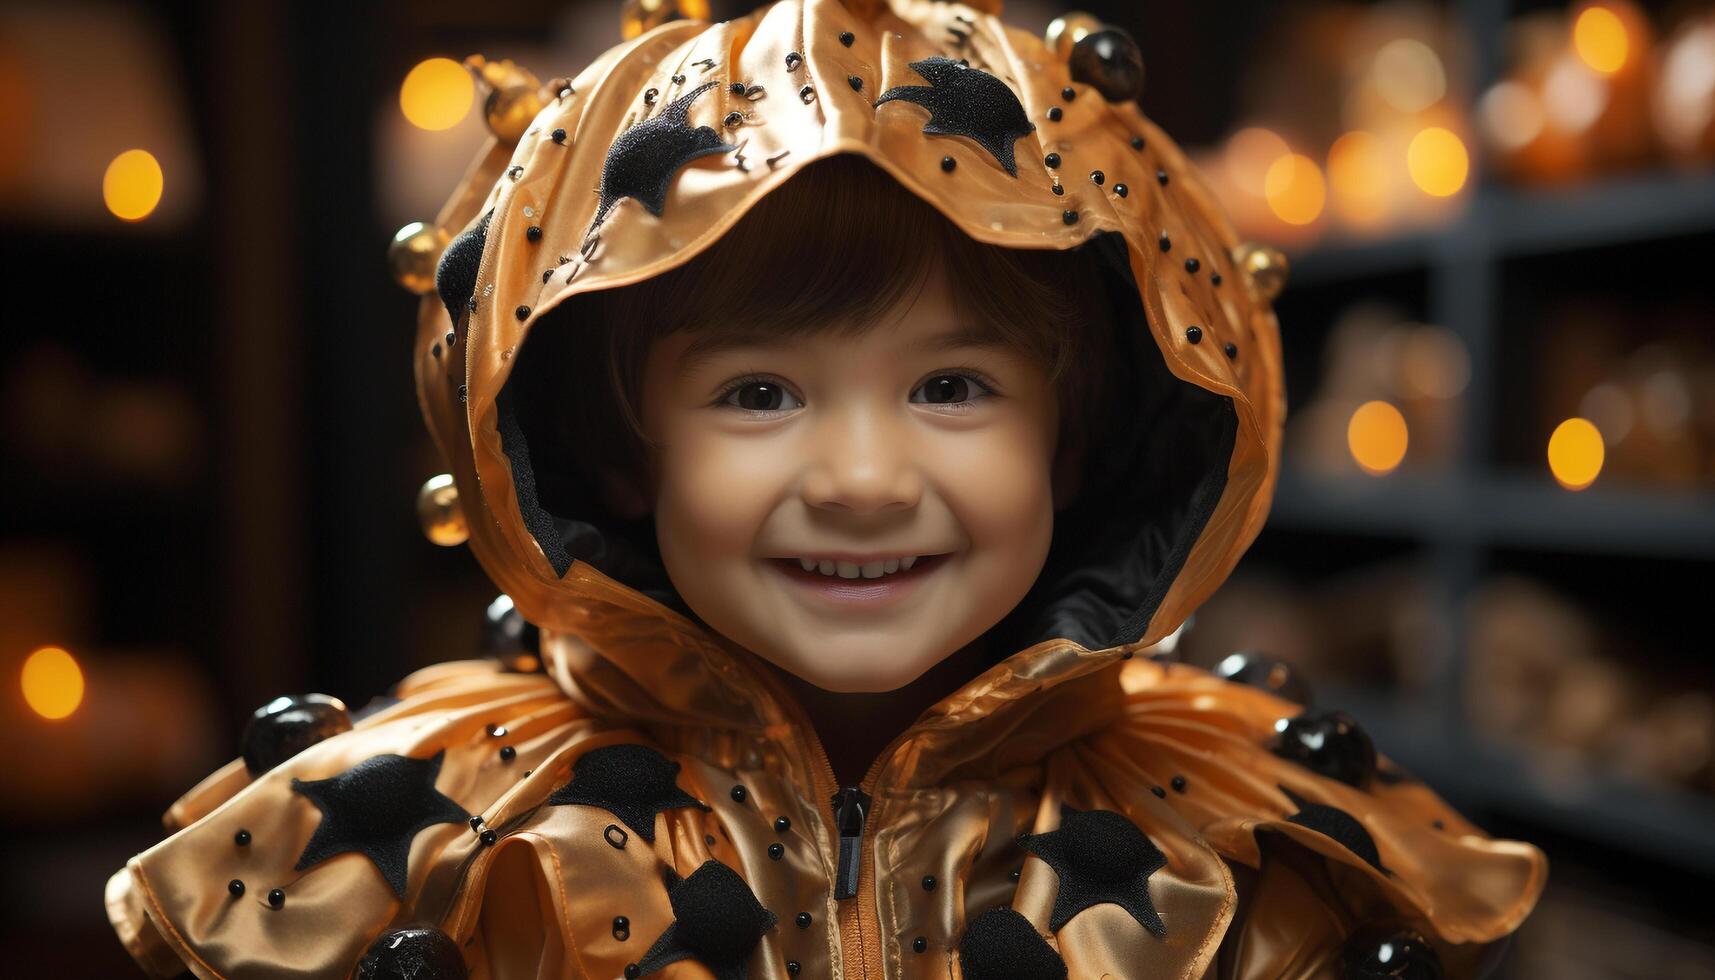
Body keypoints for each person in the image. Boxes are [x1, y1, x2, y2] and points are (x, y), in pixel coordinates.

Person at [104, 1, 1547, 977]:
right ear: (615, 445)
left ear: (1079, 433)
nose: (862, 480)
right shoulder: (461, 848)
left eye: (952, 387)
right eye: (759, 395)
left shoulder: (1237, 858)